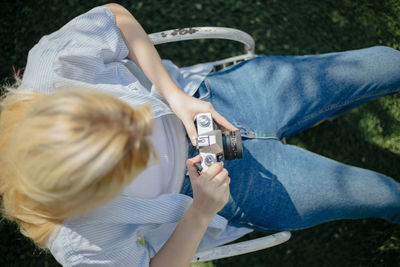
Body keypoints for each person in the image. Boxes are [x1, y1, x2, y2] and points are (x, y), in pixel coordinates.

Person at [0, 3, 399, 266]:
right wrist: (202, 212)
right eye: (134, 159)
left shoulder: (54, 71)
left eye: (130, 116)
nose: (151, 139)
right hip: (229, 193)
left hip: (214, 99)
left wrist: (174, 98)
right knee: (385, 195)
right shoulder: (78, 240)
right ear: (90, 196)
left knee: (387, 63)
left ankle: (316, 114)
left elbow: (116, 18)